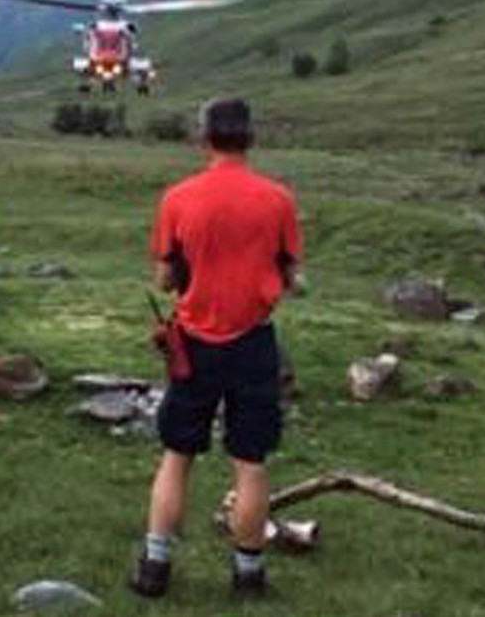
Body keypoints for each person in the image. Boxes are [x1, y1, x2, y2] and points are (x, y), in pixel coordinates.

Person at [131, 98, 302, 598]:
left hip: (193, 343)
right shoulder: (278, 199)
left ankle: (154, 568)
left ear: (203, 138)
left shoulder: (178, 198)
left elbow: (165, 277)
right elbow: (289, 276)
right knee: (250, 461)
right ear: (249, 137)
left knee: (177, 454)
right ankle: (248, 576)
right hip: (252, 342)